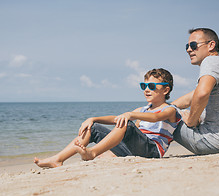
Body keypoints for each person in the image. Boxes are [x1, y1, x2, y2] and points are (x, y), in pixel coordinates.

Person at [34, 68, 182, 168]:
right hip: (133, 150)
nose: (147, 89)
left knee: (127, 124)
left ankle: (92, 153)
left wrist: (130, 115)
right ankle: (58, 159)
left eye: (151, 86)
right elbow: (116, 118)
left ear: (166, 89)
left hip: (152, 152)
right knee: (94, 128)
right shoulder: (142, 109)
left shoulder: (169, 110)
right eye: (144, 86)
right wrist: (94, 118)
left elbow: (156, 118)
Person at [172, 28, 219, 155]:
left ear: (211, 45)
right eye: (187, 46)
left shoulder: (211, 61)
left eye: (193, 45)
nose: (189, 49)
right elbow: (191, 97)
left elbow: (201, 94)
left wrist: (191, 120)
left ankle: (145, 148)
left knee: (165, 116)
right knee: (166, 111)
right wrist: (167, 107)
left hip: (214, 141)